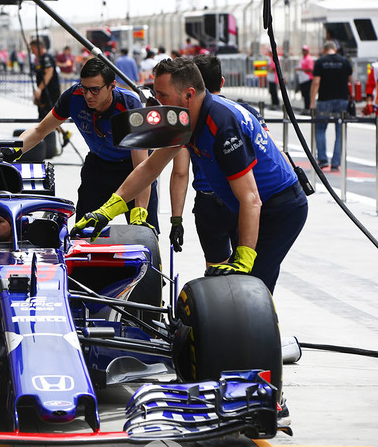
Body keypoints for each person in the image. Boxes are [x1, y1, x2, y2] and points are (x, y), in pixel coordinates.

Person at [74, 57, 307, 297]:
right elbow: (149, 169)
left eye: (162, 95)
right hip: (249, 206)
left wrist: (244, 258)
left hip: (280, 208)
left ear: (188, 94)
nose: (156, 103)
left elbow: (251, 198)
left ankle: (261, 331)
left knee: (250, 289)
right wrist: (106, 211)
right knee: (239, 290)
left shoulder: (222, 125)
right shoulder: (185, 118)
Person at [11, 57, 158, 231]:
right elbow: (39, 130)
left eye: (95, 90)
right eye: (85, 88)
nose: (88, 95)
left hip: (132, 169)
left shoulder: (130, 106)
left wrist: (140, 213)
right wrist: (12, 150)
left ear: (112, 86)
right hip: (98, 167)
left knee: (144, 234)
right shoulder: (74, 96)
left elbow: (142, 167)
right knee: (82, 231)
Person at [169, 54, 272, 267]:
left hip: (208, 204)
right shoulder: (245, 111)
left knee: (216, 273)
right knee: (251, 275)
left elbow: (180, 171)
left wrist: (176, 220)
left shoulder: (188, 121)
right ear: (222, 82)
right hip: (242, 201)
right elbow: (269, 153)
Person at [310, 40, 353, 171]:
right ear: (335, 49)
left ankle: (322, 160)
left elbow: (316, 82)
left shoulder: (320, 62)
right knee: (340, 131)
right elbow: (350, 81)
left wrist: (312, 102)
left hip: (324, 100)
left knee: (320, 129)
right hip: (342, 100)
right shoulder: (345, 61)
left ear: (324, 50)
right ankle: (335, 163)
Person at [29, 38, 61, 121]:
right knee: (44, 118)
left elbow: (49, 73)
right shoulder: (41, 59)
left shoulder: (47, 57)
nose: (32, 52)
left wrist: (39, 89)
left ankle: (63, 133)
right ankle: (63, 133)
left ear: (39, 47)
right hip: (44, 95)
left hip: (50, 94)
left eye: (33, 49)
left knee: (48, 118)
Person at [295, 45, 314, 113]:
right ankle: (306, 108)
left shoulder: (309, 59)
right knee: (304, 94)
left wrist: (300, 69)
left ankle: (308, 109)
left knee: (307, 95)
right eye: (303, 50)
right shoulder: (303, 58)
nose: (303, 52)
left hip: (307, 79)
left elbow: (310, 69)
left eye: (305, 50)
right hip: (302, 79)